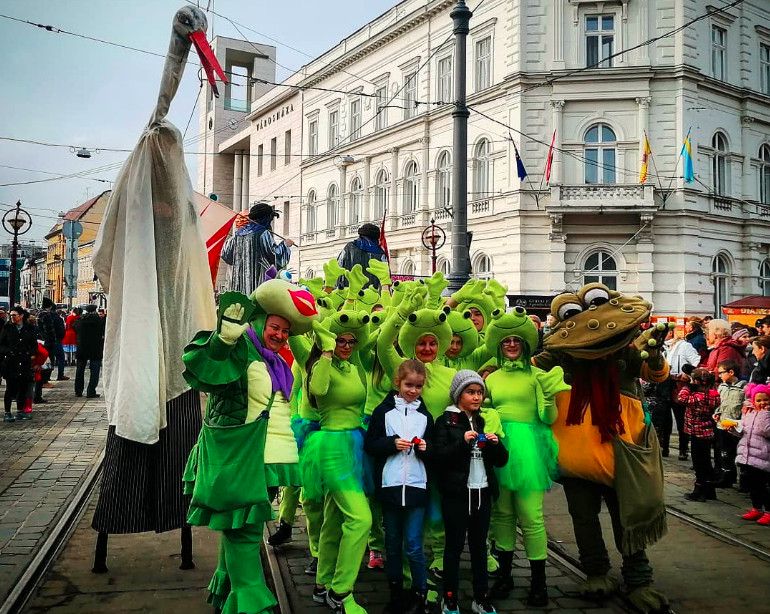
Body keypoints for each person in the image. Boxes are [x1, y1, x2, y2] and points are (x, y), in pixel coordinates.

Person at [182, 280, 318, 613]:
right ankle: (250, 599)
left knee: (241, 524)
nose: (281, 335)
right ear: (260, 323)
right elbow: (205, 366)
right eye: (275, 327)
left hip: (267, 458)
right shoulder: (240, 348)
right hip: (236, 456)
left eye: (286, 331)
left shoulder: (276, 362)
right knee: (243, 528)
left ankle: (226, 586)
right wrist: (222, 339)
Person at [483, 309, 569, 607]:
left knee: (531, 517)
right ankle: (505, 576)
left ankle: (539, 583)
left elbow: (548, 418)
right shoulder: (491, 377)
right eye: (505, 340)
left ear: (526, 343)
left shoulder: (538, 375)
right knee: (502, 515)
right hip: (499, 450)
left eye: (516, 340)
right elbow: (486, 411)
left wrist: (547, 398)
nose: (510, 344)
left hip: (529, 452)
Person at [302, 315, 371, 613]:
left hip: (355, 445)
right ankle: (341, 592)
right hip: (330, 446)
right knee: (361, 519)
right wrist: (326, 352)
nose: (345, 345)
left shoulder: (356, 368)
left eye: (350, 341)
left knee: (334, 520)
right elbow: (317, 391)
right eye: (340, 340)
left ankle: (323, 583)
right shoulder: (321, 365)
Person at [434, 370, 509, 614]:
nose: (476, 397)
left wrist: (496, 445)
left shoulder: (482, 420)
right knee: (454, 547)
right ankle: (450, 596)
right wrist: (461, 443)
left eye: (479, 393)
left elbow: (500, 461)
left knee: (479, 547)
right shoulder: (445, 421)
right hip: (457, 493)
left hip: (482, 492)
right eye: (471, 392)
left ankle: (481, 597)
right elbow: (439, 458)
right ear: (458, 394)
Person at [365, 359, 433, 614]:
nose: (413, 390)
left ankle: (420, 592)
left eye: (418, 386)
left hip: (416, 486)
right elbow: (371, 444)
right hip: (390, 485)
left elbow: (433, 451)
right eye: (409, 385)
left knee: (414, 544)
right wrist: (391, 443)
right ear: (398, 383)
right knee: (392, 543)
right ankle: (395, 593)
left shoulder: (425, 416)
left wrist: (426, 449)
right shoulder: (384, 412)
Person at [221, 201, 293, 296]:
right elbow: (274, 256)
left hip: (239, 283)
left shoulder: (237, 234)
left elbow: (226, 254)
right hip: (258, 283)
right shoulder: (263, 233)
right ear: (266, 218)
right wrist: (285, 245)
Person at [677, 368, 721, 502]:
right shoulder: (714, 395)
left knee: (699, 463)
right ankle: (710, 491)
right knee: (707, 462)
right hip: (708, 431)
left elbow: (681, 398)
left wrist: (687, 386)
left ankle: (699, 490)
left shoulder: (697, 397)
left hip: (697, 432)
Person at [735, 384, 770, 525]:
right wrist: (733, 428)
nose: (762, 403)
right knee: (753, 485)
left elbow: (766, 431)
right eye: (759, 400)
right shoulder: (748, 412)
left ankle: (768, 510)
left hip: (764, 457)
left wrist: (764, 413)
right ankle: (757, 508)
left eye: (766, 400)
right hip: (749, 456)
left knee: (765, 486)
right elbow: (743, 430)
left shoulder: (766, 414)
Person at [0, 307, 37, 422]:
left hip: (24, 362)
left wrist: (31, 354)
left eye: (14, 315)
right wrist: (8, 351)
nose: (12, 317)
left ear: (21, 316)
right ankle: (7, 412)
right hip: (11, 362)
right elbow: (1, 344)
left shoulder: (29, 328)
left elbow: (34, 344)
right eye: (11, 315)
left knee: (23, 388)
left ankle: (20, 411)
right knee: (10, 388)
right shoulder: (7, 328)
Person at [714, 360, 746, 487]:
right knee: (723, 452)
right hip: (722, 424)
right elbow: (719, 404)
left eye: (721, 373)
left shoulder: (744, 388)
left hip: (736, 427)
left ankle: (743, 480)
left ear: (731, 372)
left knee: (736, 452)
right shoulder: (721, 387)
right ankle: (726, 476)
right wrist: (716, 413)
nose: (719, 376)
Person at [336, 223, 388, 289]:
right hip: (372, 295)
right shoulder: (381, 253)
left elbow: (338, 267)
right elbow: (385, 277)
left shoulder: (350, 247)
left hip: (350, 293)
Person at [73, 304, 106, 398]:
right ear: (95, 310)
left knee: (80, 370)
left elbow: (74, 327)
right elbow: (103, 331)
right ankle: (91, 391)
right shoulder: (98, 320)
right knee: (95, 370)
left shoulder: (80, 320)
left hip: (82, 347)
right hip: (95, 348)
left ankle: (78, 391)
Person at [38, 297, 68, 381]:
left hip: (42, 340)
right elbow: (57, 330)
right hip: (54, 340)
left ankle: (46, 378)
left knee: (47, 358)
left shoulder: (40, 314)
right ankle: (58, 375)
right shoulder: (53, 317)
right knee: (59, 358)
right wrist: (58, 338)